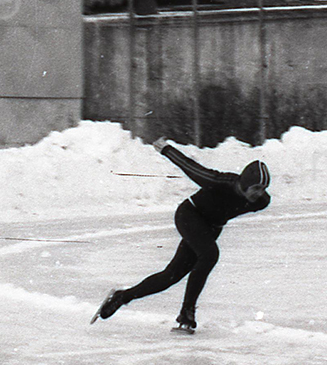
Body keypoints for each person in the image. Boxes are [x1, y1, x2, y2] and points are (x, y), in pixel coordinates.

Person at [91, 137, 272, 332]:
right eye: (255, 188)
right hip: (189, 215)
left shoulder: (261, 202)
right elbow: (192, 168)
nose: (258, 194)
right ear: (244, 183)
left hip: (210, 228)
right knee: (210, 254)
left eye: (263, 189)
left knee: (171, 276)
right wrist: (166, 149)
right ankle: (187, 312)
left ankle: (121, 297)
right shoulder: (220, 182)